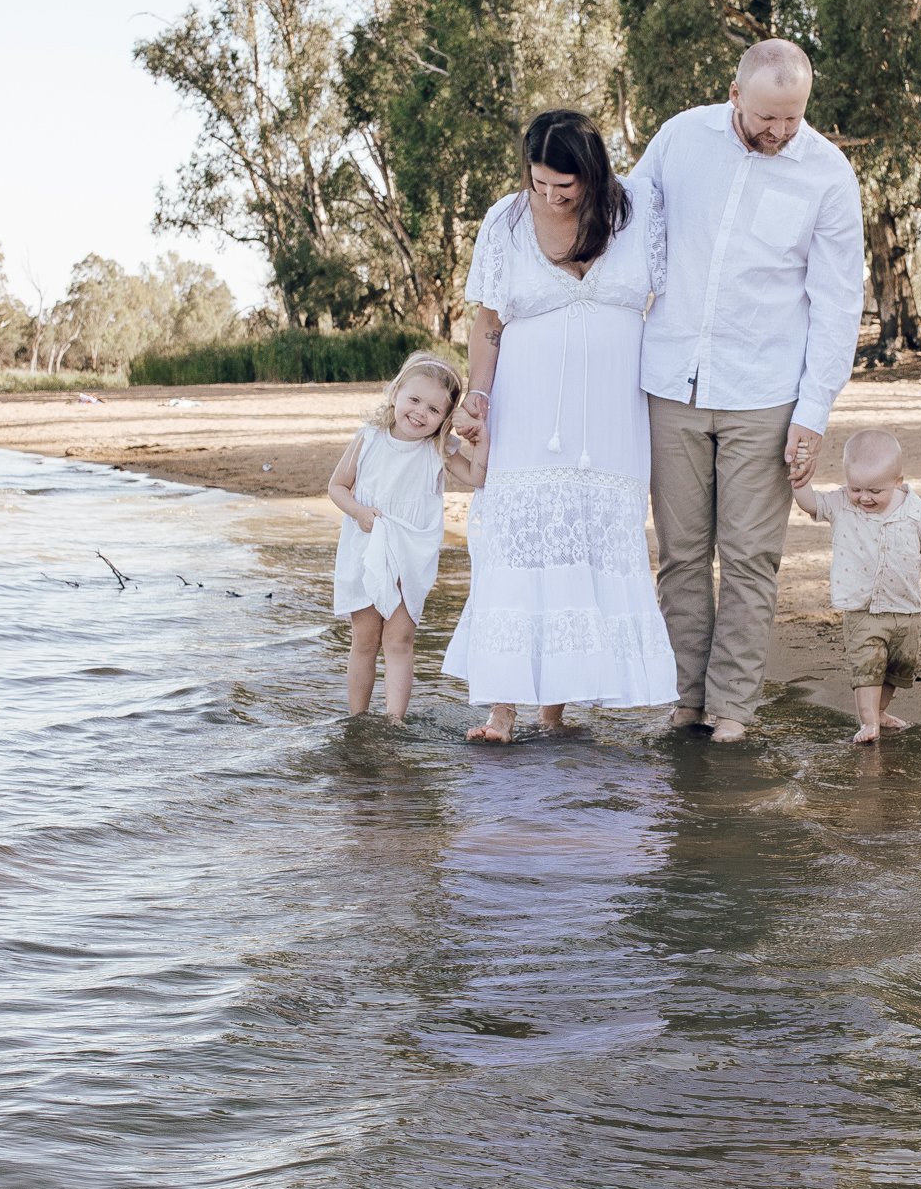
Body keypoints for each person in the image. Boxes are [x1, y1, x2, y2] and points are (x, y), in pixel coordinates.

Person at [632, 39, 866, 744]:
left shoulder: (826, 174)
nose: (780, 131)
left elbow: (836, 303)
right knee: (679, 553)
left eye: (792, 118)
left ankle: (731, 709)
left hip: (766, 392)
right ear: (734, 96)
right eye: (767, 116)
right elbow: (627, 224)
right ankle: (684, 699)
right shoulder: (678, 138)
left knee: (749, 557)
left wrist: (814, 411)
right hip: (670, 380)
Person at [445, 109, 677, 741]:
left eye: (564, 186)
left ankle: (557, 710)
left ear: (592, 176)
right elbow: (488, 323)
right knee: (518, 547)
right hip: (525, 411)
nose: (549, 196)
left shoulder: (637, 214)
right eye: (539, 181)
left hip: (612, 420)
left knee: (588, 547)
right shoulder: (506, 220)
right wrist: (479, 395)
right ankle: (500, 712)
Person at [791, 426, 921, 743]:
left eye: (875, 491)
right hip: (862, 608)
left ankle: (879, 712)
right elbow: (809, 503)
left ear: (898, 482)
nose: (864, 498)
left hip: (906, 608)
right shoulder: (841, 504)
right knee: (868, 666)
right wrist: (798, 477)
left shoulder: (916, 510)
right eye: (856, 488)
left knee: (898, 666)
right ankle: (868, 722)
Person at [328, 352, 476, 723]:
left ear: (444, 419)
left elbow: (477, 477)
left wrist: (478, 433)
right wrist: (360, 513)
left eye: (433, 409)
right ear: (395, 393)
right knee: (364, 638)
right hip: (365, 548)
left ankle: (395, 720)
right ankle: (358, 719)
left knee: (398, 640)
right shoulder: (370, 438)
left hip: (409, 555)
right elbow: (337, 486)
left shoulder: (438, 449)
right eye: (414, 400)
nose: (420, 412)